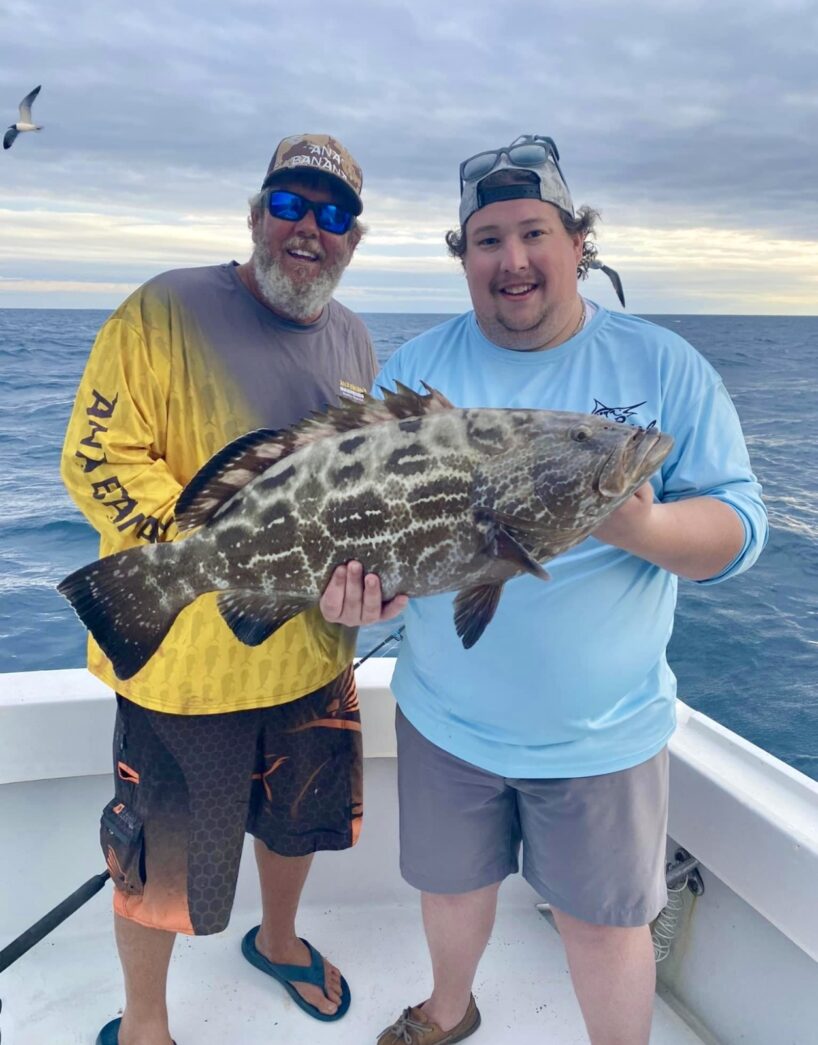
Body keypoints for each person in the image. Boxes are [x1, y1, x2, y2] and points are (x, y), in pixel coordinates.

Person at [319, 134, 768, 1045]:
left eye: (534, 233)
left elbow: (739, 527)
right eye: (488, 239)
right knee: (450, 891)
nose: (513, 260)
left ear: (577, 243)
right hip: (449, 716)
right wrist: (357, 596)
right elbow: (363, 526)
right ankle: (450, 1009)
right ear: (465, 256)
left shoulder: (663, 366)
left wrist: (643, 528)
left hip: (604, 731)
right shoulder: (417, 371)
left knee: (604, 924)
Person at [61, 133, 379, 1045]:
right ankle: (149, 1023)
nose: (309, 229)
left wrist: (379, 584)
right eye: (289, 205)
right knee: (155, 859)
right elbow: (96, 459)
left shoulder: (354, 335)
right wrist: (221, 553)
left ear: (354, 237)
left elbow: (363, 495)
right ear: (254, 215)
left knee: (298, 823)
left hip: (315, 651)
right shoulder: (163, 308)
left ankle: (277, 940)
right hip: (180, 663)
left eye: (333, 214)